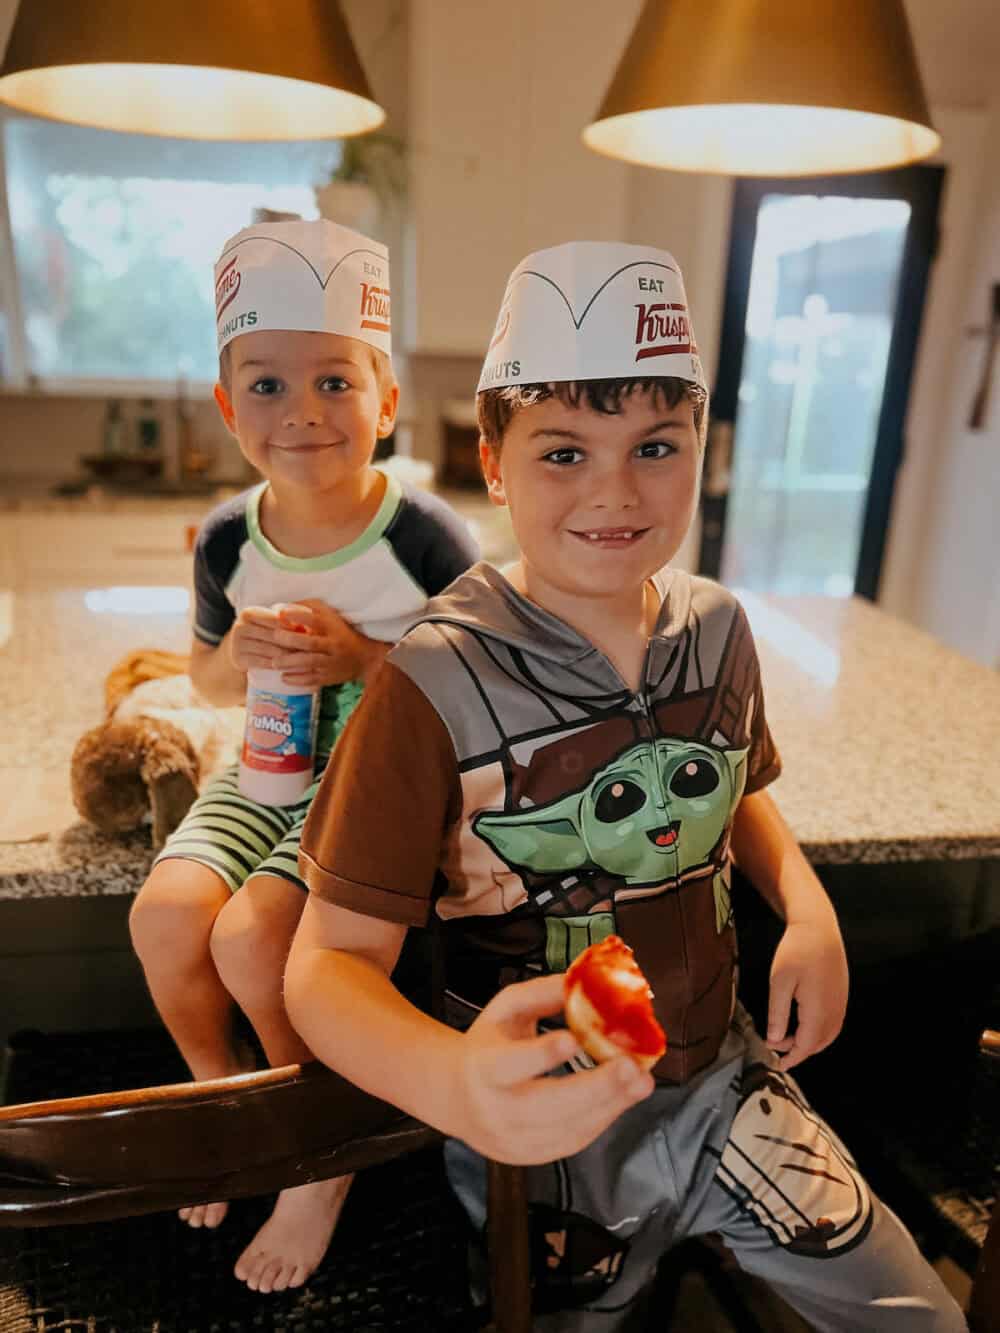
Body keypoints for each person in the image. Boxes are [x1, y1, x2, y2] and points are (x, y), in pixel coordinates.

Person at [285, 241, 966, 1330]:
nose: (615, 491)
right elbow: (324, 966)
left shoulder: (717, 628)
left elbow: (731, 788)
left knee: (916, 1316)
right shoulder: (430, 681)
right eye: (563, 453)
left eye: (655, 445)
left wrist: (807, 904)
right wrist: (452, 1083)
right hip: (546, 1138)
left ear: (702, 447)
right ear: (493, 460)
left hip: (722, 1085)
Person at [128, 219, 478, 1295]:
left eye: (335, 379)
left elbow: (477, 686)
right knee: (165, 915)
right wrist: (236, 652)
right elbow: (205, 681)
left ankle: (314, 1149)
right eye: (268, 386)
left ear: (385, 403)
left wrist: (367, 655)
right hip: (263, 767)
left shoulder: (423, 535)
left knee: (249, 941)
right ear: (231, 410)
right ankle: (230, 1102)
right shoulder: (228, 535)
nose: (304, 412)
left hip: (374, 784)